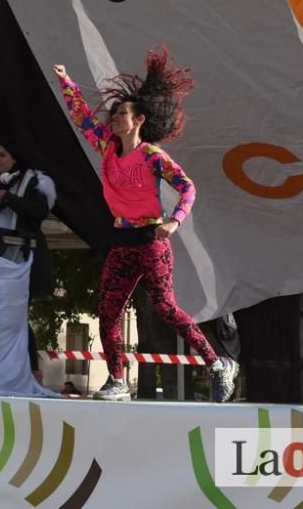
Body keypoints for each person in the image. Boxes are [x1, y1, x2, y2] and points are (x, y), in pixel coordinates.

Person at [53, 48, 239, 402]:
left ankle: (218, 365)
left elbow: (187, 187)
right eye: (115, 113)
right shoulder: (107, 148)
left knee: (166, 308)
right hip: (123, 240)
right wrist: (66, 82)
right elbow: (81, 118)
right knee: (107, 311)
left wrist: (174, 221)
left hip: (151, 240)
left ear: (138, 120)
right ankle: (118, 380)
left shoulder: (152, 156)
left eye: (122, 113)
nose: (115, 118)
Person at [0, 140, 56, 382]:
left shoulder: (34, 181)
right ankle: (2, 367)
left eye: (2, 155)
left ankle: (31, 370)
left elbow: (39, 212)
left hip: (25, 258)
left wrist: (9, 199)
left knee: (15, 314)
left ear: (16, 157)